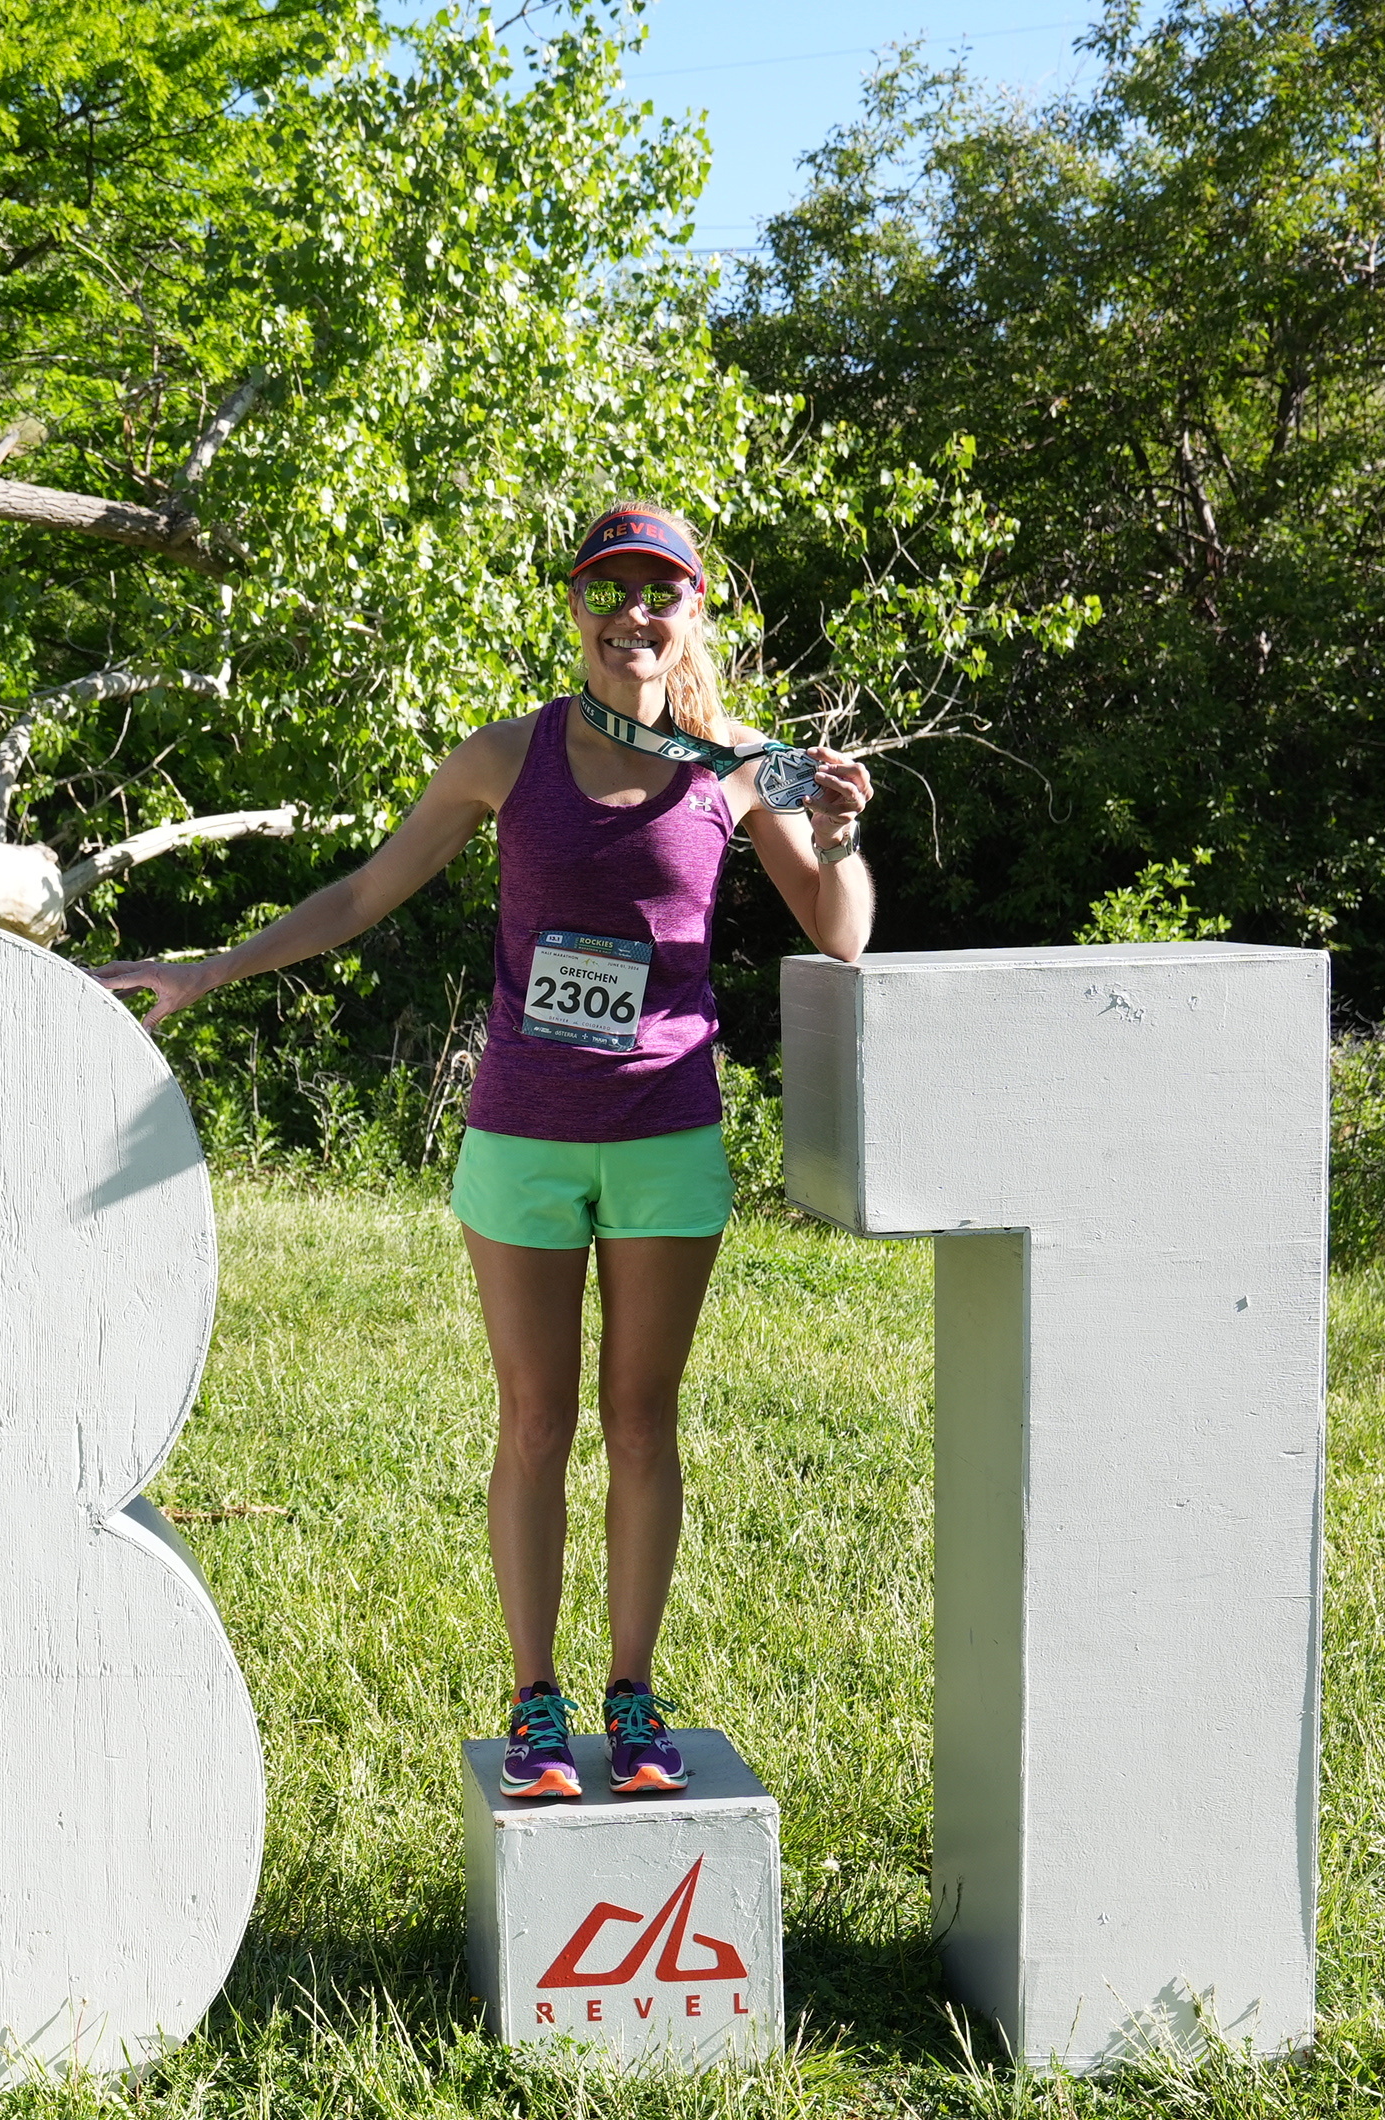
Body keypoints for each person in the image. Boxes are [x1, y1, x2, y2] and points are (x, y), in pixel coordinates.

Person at [93, 501, 877, 1800]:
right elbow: (363, 892)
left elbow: (840, 929)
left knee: (643, 1422)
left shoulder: (744, 763)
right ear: (575, 606)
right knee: (535, 1420)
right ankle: (534, 1703)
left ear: (693, 608)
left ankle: (633, 1699)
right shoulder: (508, 755)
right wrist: (213, 968)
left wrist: (839, 837)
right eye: (609, 590)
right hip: (522, 1139)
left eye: (659, 591)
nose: (634, 615)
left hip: (667, 1135)